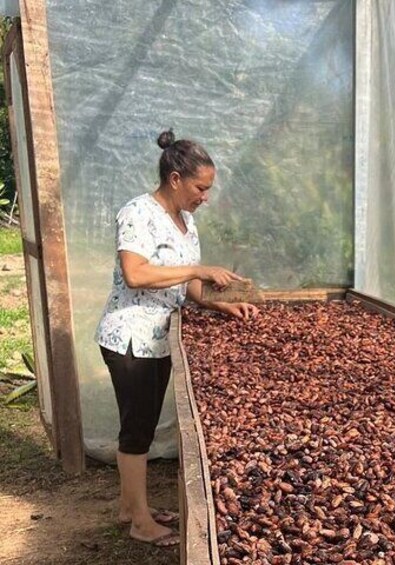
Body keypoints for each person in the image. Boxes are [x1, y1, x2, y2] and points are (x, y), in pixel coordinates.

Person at [95, 129, 258, 547]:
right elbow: (136, 273)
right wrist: (198, 270)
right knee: (137, 429)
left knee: (143, 425)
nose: (205, 196)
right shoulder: (137, 213)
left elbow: (187, 288)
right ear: (175, 180)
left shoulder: (187, 222)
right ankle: (139, 522)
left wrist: (224, 305)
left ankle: (129, 507)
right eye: (201, 187)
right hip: (130, 338)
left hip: (161, 337)